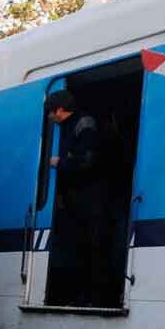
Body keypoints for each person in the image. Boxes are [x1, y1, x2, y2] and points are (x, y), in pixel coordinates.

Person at [46, 90, 114, 307]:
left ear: (59, 110)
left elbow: (88, 159)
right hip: (76, 200)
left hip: (92, 198)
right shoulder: (67, 127)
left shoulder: (84, 124)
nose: (49, 118)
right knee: (78, 247)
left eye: (50, 113)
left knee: (92, 246)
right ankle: (79, 295)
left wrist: (60, 162)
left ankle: (95, 297)